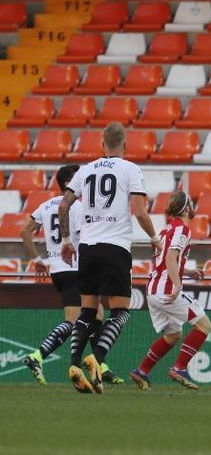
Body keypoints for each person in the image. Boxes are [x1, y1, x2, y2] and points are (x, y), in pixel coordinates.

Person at [59, 122, 162, 394]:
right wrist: (153, 237)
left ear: (101, 144)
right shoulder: (131, 169)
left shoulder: (84, 170)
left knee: (87, 312)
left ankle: (73, 364)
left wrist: (68, 241)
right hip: (115, 247)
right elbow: (139, 212)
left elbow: (63, 205)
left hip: (89, 248)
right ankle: (98, 358)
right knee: (120, 313)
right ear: (125, 146)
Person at [20, 165, 121, 385]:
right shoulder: (77, 206)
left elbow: (24, 230)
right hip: (75, 268)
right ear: (70, 181)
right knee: (76, 320)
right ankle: (38, 355)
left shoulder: (46, 206)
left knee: (97, 314)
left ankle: (101, 367)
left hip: (58, 270)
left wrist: (37, 260)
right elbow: (81, 238)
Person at [129, 191, 209, 391]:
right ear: (186, 208)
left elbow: (164, 259)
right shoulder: (182, 230)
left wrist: (188, 271)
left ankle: (142, 371)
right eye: (191, 203)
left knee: (173, 335)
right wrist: (178, 284)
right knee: (204, 325)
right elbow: (170, 258)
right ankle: (179, 367)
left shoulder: (165, 231)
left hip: (153, 290)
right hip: (166, 289)